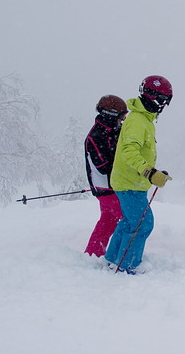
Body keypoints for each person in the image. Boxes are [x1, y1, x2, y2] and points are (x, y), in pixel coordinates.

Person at [104, 75, 173, 273]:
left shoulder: (143, 120)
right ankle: (127, 265)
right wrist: (150, 173)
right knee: (143, 224)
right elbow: (129, 152)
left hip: (131, 182)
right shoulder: (137, 121)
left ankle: (113, 259)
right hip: (129, 183)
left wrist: (152, 172)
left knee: (129, 222)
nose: (163, 107)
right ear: (154, 98)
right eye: (163, 101)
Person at [84, 94, 128, 257]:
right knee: (129, 220)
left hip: (110, 186)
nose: (122, 121)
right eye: (121, 117)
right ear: (110, 116)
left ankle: (93, 254)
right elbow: (103, 166)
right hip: (106, 187)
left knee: (108, 221)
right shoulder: (96, 136)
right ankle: (122, 255)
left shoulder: (112, 131)